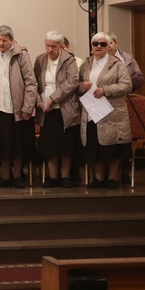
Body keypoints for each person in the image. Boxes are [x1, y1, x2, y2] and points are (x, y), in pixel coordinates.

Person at [0, 25, 38, 188]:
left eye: (4, 41)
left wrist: (28, 106)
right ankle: (5, 176)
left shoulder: (22, 54)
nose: (0, 43)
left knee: (18, 144)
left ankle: (18, 175)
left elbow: (31, 82)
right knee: (2, 144)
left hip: (17, 106)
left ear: (12, 40)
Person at [79, 32, 133, 189]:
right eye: (95, 44)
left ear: (108, 46)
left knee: (111, 147)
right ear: (91, 46)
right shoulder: (85, 64)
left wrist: (106, 89)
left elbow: (127, 85)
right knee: (94, 147)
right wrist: (82, 87)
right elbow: (77, 86)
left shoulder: (117, 64)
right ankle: (99, 178)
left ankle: (113, 178)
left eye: (103, 44)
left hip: (111, 113)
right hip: (91, 112)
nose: (99, 47)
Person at [34, 31, 81, 188]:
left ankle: (65, 176)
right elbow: (34, 84)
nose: (50, 50)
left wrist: (54, 98)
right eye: (47, 45)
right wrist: (40, 101)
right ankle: (53, 176)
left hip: (65, 107)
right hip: (46, 109)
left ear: (61, 46)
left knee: (66, 144)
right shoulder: (40, 60)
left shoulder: (69, 59)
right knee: (50, 144)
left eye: (54, 46)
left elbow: (72, 82)